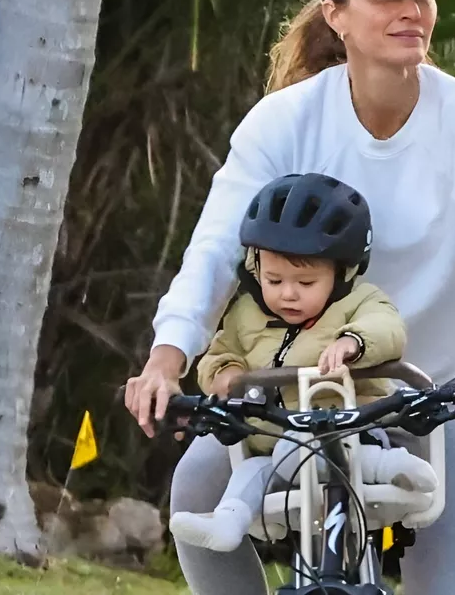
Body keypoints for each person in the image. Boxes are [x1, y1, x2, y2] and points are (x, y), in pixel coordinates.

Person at [124, 0, 455, 595]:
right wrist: (164, 359)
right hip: (288, 400)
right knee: (194, 500)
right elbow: (213, 247)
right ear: (336, 12)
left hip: (430, 396)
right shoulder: (283, 121)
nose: (412, 10)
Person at [168, 172, 437, 553]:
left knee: (308, 448)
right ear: (254, 267)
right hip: (274, 443)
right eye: (274, 280)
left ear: (341, 272)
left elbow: (388, 328)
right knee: (251, 471)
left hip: (350, 430)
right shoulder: (245, 313)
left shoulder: (359, 302)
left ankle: (393, 468)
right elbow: (219, 351)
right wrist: (225, 373)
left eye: (305, 283)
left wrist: (352, 342)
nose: (288, 294)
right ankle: (228, 521)